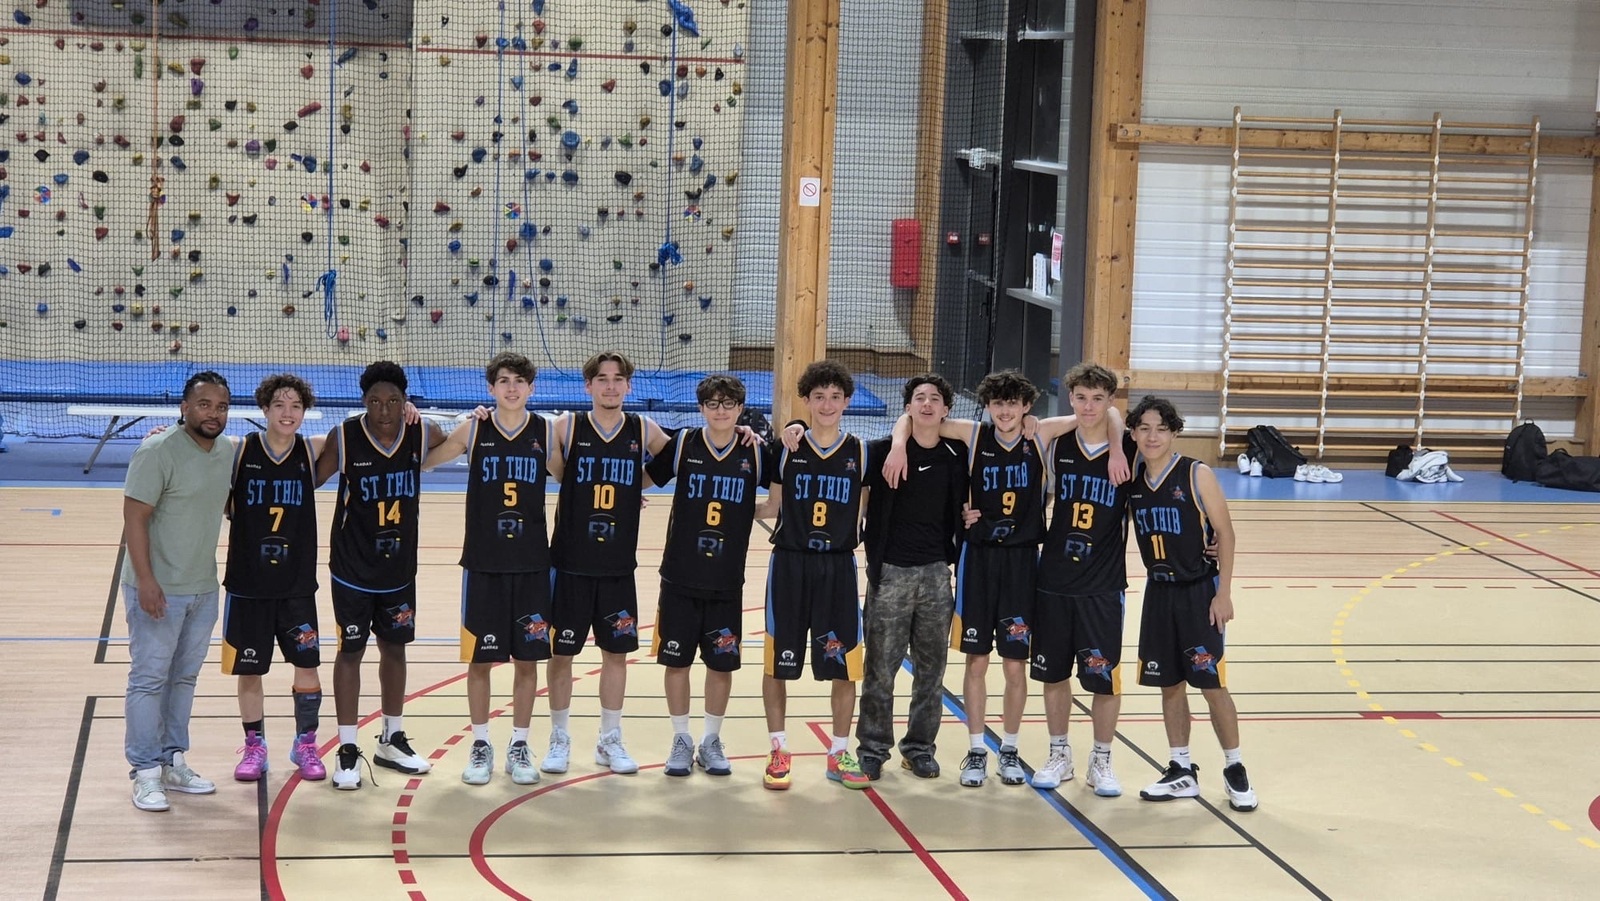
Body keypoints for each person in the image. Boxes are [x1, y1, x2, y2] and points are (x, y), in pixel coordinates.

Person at [315, 361, 447, 790]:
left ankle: (391, 738)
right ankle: (347, 747)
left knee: (395, 649)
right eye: (375, 401)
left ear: (405, 401)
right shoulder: (345, 436)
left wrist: (436, 417)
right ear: (363, 402)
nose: (384, 410)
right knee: (350, 652)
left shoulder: (420, 433)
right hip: (352, 569)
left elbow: (455, 436)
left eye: (393, 401)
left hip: (398, 569)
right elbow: (308, 477)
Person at [541, 351, 674, 776]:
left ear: (629, 386)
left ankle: (609, 738)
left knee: (616, 655)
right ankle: (559, 737)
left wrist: (638, 484)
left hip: (617, 567)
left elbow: (678, 455)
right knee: (561, 655)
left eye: (618, 379)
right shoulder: (567, 426)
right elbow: (550, 465)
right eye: (602, 378)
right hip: (569, 564)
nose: (611, 385)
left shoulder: (642, 428)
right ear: (589, 385)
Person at [422, 353, 552, 786]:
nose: (512, 388)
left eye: (519, 381)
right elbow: (425, 460)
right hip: (482, 563)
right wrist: (426, 423)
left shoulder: (546, 432)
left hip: (532, 564)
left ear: (531, 388)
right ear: (491, 388)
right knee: (480, 661)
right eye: (504, 381)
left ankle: (519, 744)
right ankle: (480, 744)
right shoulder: (474, 429)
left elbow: (575, 478)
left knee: (527, 661)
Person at [1126, 395, 1258, 812]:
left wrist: (1224, 593)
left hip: (1199, 591)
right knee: (1169, 684)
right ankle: (1181, 768)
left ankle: (1235, 766)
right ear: (1133, 433)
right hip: (1158, 592)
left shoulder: (1196, 473)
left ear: (1174, 433)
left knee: (1212, 685)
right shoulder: (1132, 479)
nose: (1152, 436)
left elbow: (1226, 534)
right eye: (1144, 428)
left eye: (1161, 429)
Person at [643, 374, 770, 778]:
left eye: (728, 403)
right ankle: (681, 739)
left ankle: (711, 740)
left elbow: (785, 489)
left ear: (740, 408)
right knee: (676, 662)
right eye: (713, 404)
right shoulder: (683, 443)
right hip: (680, 575)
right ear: (701, 408)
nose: (721, 410)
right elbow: (643, 478)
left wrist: (752, 511)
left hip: (727, 579)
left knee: (721, 665)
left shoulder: (755, 450)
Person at [122, 370, 234, 812]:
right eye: (204, 404)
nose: (213, 414)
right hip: (158, 589)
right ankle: (145, 771)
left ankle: (172, 760)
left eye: (221, 406)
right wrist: (146, 581)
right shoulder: (157, 451)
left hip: (203, 588)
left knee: (183, 679)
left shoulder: (226, 452)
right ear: (184, 407)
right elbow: (134, 518)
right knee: (148, 680)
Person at [759, 360, 872, 790]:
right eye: (819, 396)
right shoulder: (786, 448)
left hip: (838, 566)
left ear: (847, 401)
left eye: (835, 397)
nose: (827, 404)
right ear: (805, 400)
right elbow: (771, 506)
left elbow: (869, 511)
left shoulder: (862, 452)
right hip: (790, 564)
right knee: (778, 663)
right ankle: (778, 748)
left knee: (844, 666)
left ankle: (839, 752)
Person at [854, 375, 967, 780]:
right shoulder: (881, 451)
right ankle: (872, 748)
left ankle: (919, 748)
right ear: (907, 408)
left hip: (937, 574)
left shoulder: (957, 455)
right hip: (891, 573)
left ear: (946, 409)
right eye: (919, 398)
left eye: (935, 398)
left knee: (931, 671)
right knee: (879, 669)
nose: (927, 404)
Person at [1028, 363, 1131, 794]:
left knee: (1103, 677)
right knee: (1053, 674)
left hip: (1103, 583)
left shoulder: (1129, 450)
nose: (1089, 407)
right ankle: (1060, 755)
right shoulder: (1056, 444)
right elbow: (1034, 427)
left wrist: (1118, 444)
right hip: (1054, 577)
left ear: (1110, 401)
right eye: (1082, 398)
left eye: (1098, 399)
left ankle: (1101, 760)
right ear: (1070, 398)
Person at [224, 374, 327, 783]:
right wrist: (164, 434)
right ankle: (255, 746)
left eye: (296, 406)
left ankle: (306, 743)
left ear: (305, 412)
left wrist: (408, 410)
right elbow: (192, 452)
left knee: (307, 666)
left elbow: (366, 435)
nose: (288, 413)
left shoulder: (313, 449)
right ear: (264, 409)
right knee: (250, 671)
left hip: (296, 585)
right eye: (280, 405)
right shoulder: (239, 450)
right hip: (248, 584)